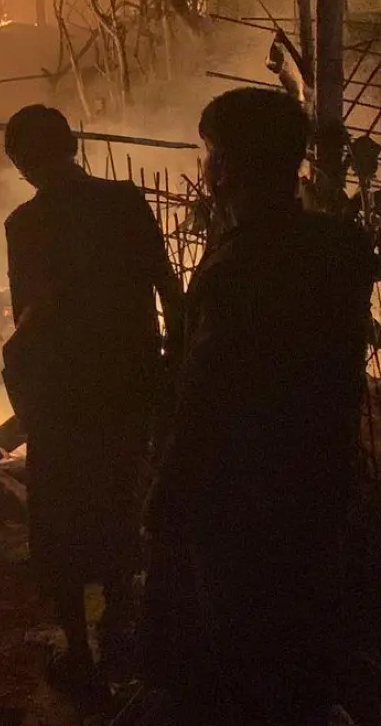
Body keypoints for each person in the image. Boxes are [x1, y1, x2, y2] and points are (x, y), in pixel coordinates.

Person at [145, 88, 375, 726]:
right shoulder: (341, 250)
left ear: (227, 169)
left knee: (247, 654)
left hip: (243, 496)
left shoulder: (238, 270)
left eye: (211, 155)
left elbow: (207, 396)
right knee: (305, 637)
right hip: (320, 479)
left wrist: (169, 490)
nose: (205, 169)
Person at [0, 104, 183, 689]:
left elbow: (29, 313)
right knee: (121, 501)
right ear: (72, 144)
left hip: (61, 391)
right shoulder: (127, 202)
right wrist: (172, 366)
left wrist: (18, 375)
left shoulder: (25, 225)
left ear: (23, 164)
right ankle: (122, 632)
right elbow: (168, 289)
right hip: (128, 381)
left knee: (60, 516)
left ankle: (79, 647)